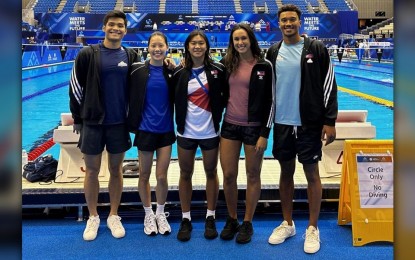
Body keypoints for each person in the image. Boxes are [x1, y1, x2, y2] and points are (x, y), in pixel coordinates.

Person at [265, 4, 338, 254]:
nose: (288, 24)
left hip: (309, 124)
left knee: (312, 174)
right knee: (285, 173)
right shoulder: (272, 52)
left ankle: (313, 227)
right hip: (283, 123)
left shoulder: (316, 49)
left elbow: (329, 84)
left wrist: (329, 120)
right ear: (279, 23)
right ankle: (288, 223)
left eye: (292, 20)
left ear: (300, 22)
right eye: (284, 20)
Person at [69, 10, 139, 241]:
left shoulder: (130, 54)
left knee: (116, 170)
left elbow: (142, 81)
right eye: (112, 25)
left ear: (125, 29)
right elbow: (76, 87)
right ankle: (92, 217)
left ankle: (113, 215)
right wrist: (78, 118)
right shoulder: (88, 54)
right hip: (93, 122)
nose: (115, 28)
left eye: (120, 25)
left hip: (118, 123)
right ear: (105, 26)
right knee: (91, 171)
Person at [219, 23, 274, 244]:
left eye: (243, 38)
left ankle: (248, 222)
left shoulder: (264, 65)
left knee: (253, 174)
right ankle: (232, 219)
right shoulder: (226, 64)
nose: (240, 43)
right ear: (232, 43)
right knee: (229, 175)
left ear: (250, 39)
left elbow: (272, 101)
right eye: (236, 40)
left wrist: (265, 133)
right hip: (230, 126)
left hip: (254, 128)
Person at [172, 30, 227, 242]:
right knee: (185, 173)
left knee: (211, 172)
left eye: (201, 43)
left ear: (207, 46)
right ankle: (185, 218)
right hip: (186, 131)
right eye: (193, 43)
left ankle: (210, 216)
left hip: (210, 131)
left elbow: (227, 95)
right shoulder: (179, 72)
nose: (197, 46)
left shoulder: (218, 70)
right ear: (187, 47)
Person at [127, 31, 176, 236]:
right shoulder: (137, 70)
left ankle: (161, 212)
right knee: (145, 175)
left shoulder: (172, 71)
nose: (157, 49)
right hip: (145, 130)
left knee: (162, 176)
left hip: (165, 131)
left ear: (167, 47)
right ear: (148, 48)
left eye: (161, 45)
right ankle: (148, 213)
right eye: (153, 45)